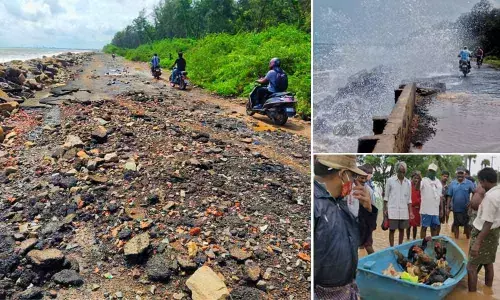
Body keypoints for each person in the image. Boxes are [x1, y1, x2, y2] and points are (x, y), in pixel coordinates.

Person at [314, 155, 378, 299]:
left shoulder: (340, 203)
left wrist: (367, 211)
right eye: (352, 176)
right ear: (343, 175)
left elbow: (360, 240)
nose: (354, 182)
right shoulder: (315, 204)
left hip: (347, 289)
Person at [467, 168, 500, 292]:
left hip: (484, 233)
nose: (480, 185)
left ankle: (471, 295)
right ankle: (488, 291)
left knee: (471, 267)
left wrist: (477, 242)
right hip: (494, 233)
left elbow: (488, 222)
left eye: (481, 182)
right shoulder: (498, 192)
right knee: (488, 263)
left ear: (485, 181)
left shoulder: (490, 197)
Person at [347, 164, 377, 255]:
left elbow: (372, 210)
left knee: (368, 245)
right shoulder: (348, 188)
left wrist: (372, 226)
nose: (363, 180)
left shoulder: (369, 191)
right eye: (361, 178)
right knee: (352, 247)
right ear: (355, 176)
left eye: (365, 178)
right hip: (350, 223)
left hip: (364, 223)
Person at [384, 161, 412, 247]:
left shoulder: (408, 183)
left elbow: (409, 199)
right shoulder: (390, 181)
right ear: (397, 171)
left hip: (404, 211)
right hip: (393, 210)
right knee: (392, 230)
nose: (402, 174)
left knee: (402, 230)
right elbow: (386, 197)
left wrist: (410, 212)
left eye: (403, 172)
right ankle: (391, 247)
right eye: (400, 171)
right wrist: (385, 209)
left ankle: (400, 246)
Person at [447, 167, 476, 239]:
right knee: (456, 225)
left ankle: (467, 241)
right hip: (455, 209)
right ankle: (457, 241)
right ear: (456, 174)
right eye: (458, 173)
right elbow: (449, 196)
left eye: (461, 173)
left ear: (464, 174)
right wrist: (447, 207)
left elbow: (475, 193)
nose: (460, 175)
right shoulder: (452, 183)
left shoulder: (469, 183)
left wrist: (471, 203)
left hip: (466, 209)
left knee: (467, 226)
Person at [420, 163, 443, 238]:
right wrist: (419, 179)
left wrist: (441, 209)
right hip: (425, 210)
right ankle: (422, 243)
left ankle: (433, 244)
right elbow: (417, 188)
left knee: (434, 228)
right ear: (427, 171)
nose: (431, 172)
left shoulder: (438, 182)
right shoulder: (423, 180)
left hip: (435, 211)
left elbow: (440, 197)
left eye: (433, 171)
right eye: (430, 170)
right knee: (424, 228)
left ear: (435, 172)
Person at [407, 171, 422, 240]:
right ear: (412, 178)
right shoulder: (409, 185)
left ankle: (414, 239)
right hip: (410, 208)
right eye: (415, 178)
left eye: (417, 178)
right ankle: (407, 239)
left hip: (417, 209)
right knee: (408, 225)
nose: (416, 180)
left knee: (415, 226)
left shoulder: (420, 186)